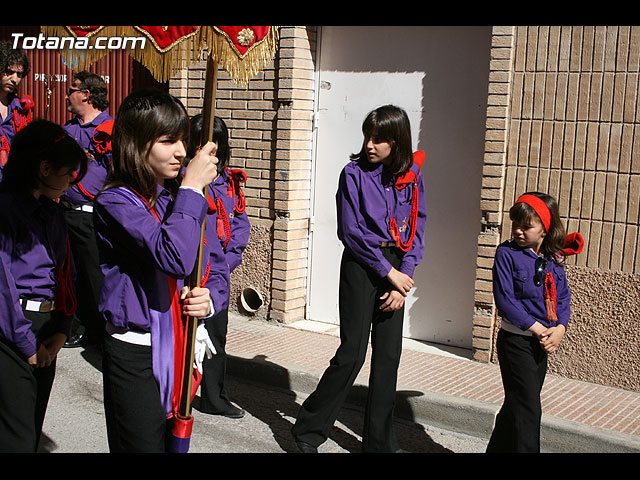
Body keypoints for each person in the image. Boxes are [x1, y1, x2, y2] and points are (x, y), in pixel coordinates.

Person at [291, 105, 427, 453]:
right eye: (368, 136)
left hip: (397, 267)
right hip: (362, 265)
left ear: (397, 142)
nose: (370, 144)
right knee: (352, 353)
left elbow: (418, 229)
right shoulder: (353, 174)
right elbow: (350, 232)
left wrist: (404, 277)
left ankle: (378, 443)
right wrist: (389, 273)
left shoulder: (413, 176)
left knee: (388, 357)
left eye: (379, 139)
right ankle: (308, 429)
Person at [93, 89, 218, 453]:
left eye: (183, 140)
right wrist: (193, 187)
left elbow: (214, 262)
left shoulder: (175, 198)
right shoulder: (116, 201)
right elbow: (174, 256)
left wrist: (208, 300)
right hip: (134, 352)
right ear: (136, 143)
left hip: (179, 342)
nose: (181, 152)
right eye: (168, 141)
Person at [0, 120, 87, 452]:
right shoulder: (6, 210)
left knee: (32, 428)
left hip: (46, 328)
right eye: (67, 173)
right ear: (44, 167)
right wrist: (26, 343)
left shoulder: (53, 212)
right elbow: (3, 287)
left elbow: (67, 273)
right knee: (15, 435)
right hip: (12, 331)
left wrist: (63, 327)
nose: (70, 183)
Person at [486, 192, 583, 453]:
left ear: (544, 229)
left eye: (526, 226)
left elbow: (562, 297)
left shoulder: (553, 259)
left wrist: (560, 328)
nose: (518, 231)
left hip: (540, 346)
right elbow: (505, 300)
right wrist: (538, 328)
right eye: (515, 224)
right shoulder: (507, 254)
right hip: (516, 342)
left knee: (517, 405)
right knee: (529, 409)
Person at [188, 114, 250, 419]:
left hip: (217, 275)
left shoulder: (229, 182)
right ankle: (180, 393)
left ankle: (213, 396)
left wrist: (227, 262)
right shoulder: (185, 180)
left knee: (216, 338)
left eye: (216, 146)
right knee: (185, 337)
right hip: (189, 272)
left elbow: (240, 224)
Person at [60, 71, 114, 348]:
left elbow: (117, 174)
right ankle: (78, 326)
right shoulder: (68, 129)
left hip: (91, 215)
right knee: (71, 273)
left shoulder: (110, 129)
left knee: (96, 276)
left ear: (86, 95)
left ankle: (103, 332)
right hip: (63, 211)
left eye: (71, 90)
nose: (67, 94)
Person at [0, 41, 34, 176]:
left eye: (19, 74)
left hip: (10, 184)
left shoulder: (20, 110)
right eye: (9, 72)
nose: (14, 79)